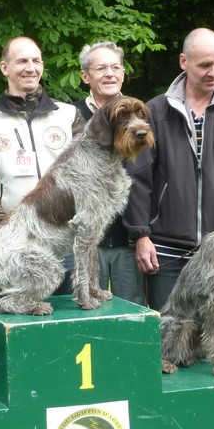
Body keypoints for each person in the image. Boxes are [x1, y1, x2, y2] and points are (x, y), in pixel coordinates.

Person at [123, 27, 214, 360]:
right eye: (205, 65)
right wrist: (142, 235)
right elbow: (138, 179)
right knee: (171, 336)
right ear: (184, 62)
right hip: (166, 249)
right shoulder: (154, 113)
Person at [0, 36, 85, 294]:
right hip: (15, 243)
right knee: (17, 319)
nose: (30, 68)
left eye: (36, 60)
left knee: (66, 325)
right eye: (22, 61)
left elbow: (86, 173)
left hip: (64, 238)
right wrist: (5, 230)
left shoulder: (68, 116)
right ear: (4, 68)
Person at [73, 41, 146, 306]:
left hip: (129, 241)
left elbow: (149, 181)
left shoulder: (140, 118)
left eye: (116, 67)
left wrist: (144, 235)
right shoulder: (70, 117)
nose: (110, 74)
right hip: (84, 241)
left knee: (131, 313)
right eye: (101, 68)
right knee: (86, 315)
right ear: (85, 76)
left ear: (123, 74)